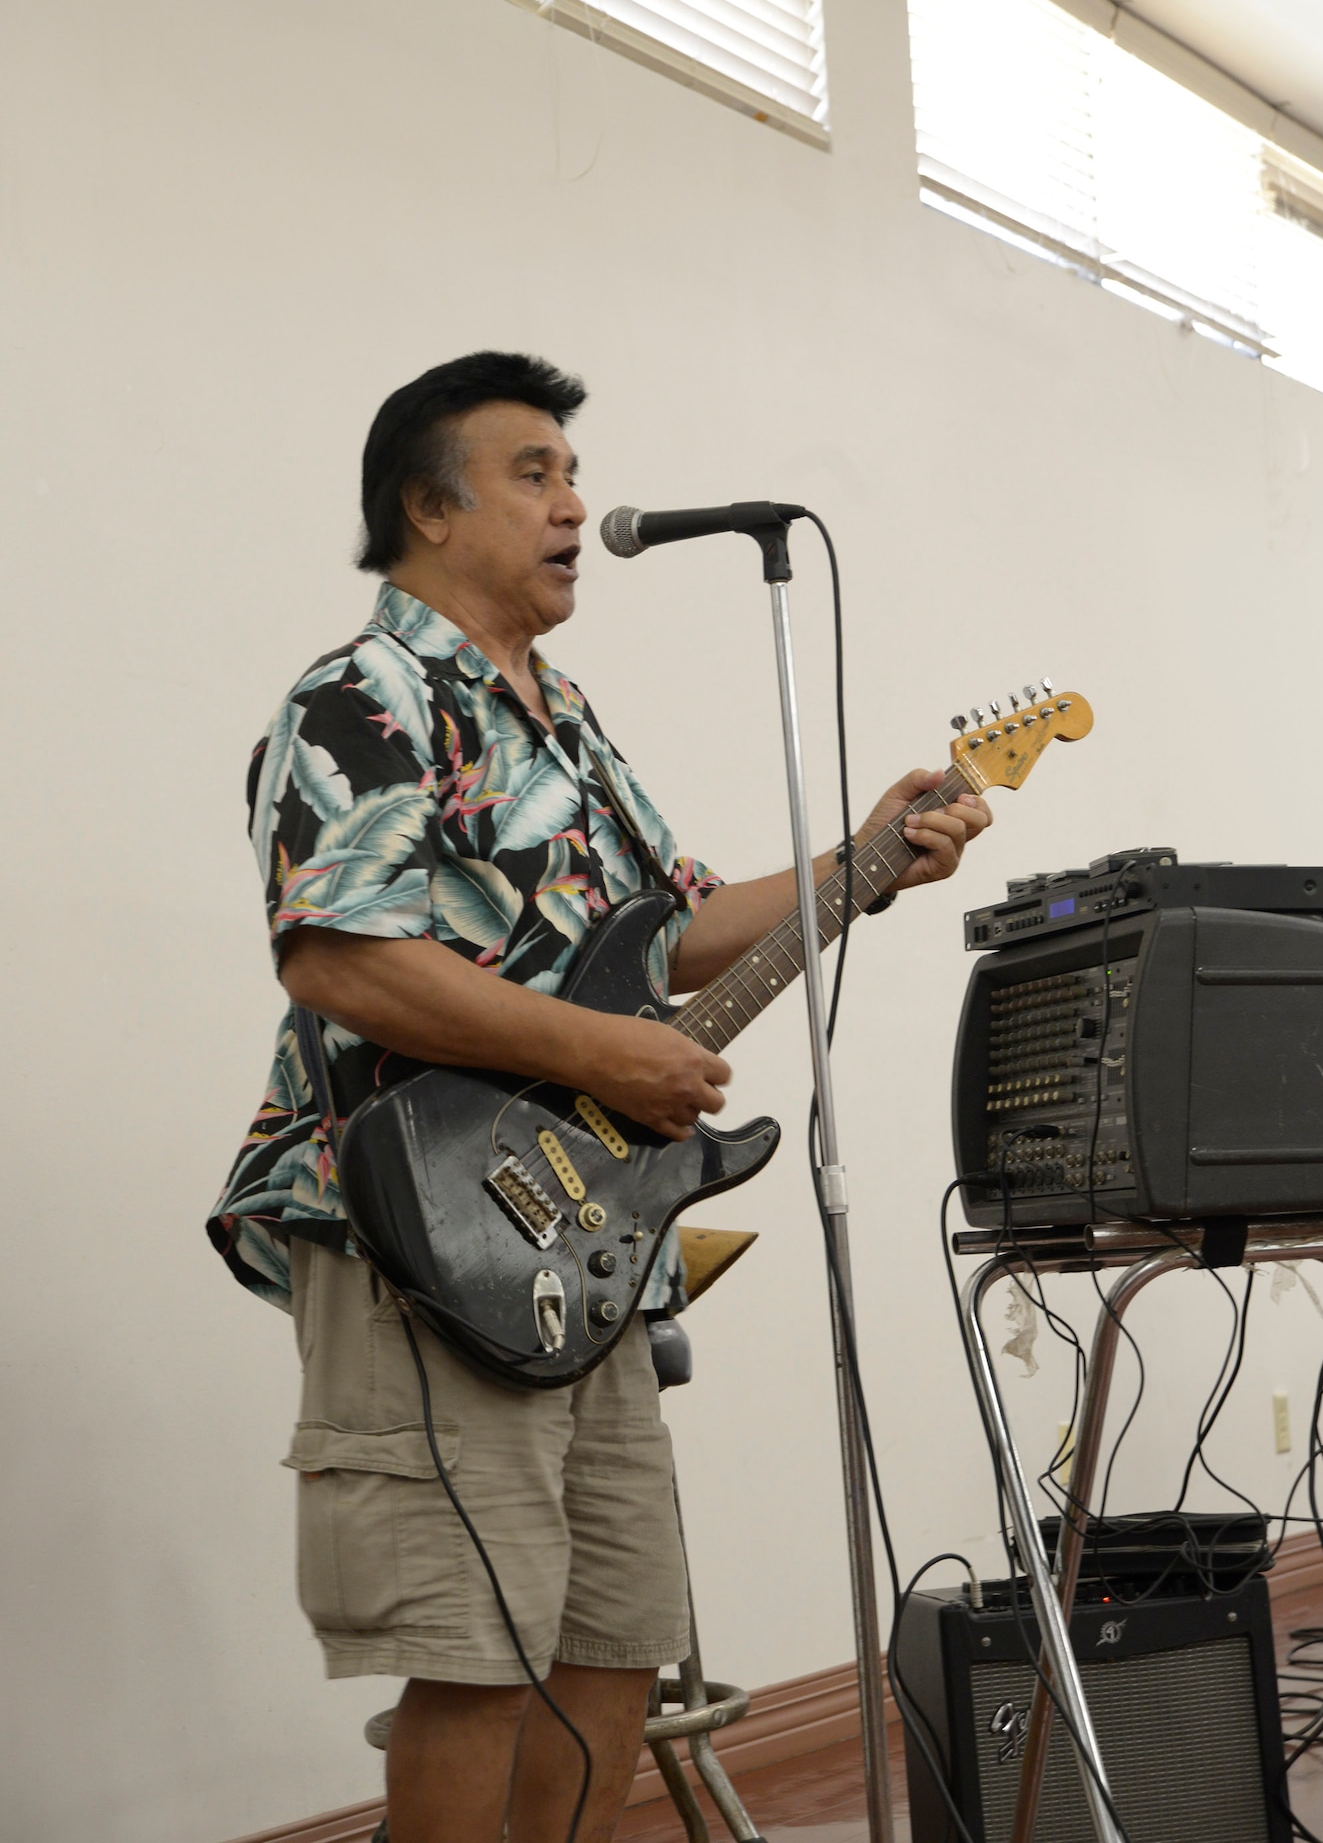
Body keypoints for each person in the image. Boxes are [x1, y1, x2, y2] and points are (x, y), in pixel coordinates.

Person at [209, 352, 992, 1843]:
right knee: (476, 1650)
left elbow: (680, 924)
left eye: (572, 473)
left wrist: (866, 859)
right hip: (418, 1225)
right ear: (428, 510)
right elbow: (339, 959)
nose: (576, 502)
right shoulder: (360, 697)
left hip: (572, 1245)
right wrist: (599, 1056)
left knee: (617, 1631)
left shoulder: (560, 715)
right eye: (535, 475)